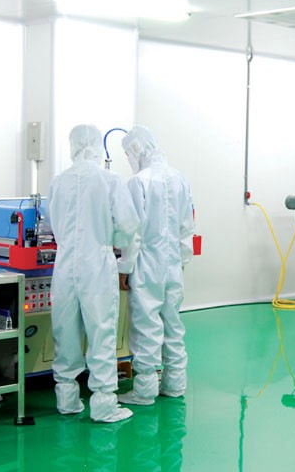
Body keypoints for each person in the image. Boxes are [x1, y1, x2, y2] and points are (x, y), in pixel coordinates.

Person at [47, 124, 139, 423]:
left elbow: (52, 223)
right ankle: (103, 405)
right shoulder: (110, 180)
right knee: (101, 332)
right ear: (98, 146)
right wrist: (118, 250)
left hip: (64, 264)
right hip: (96, 263)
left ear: (72, 146)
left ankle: (67, 399)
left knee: (65, 331)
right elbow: (127, 225)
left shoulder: (58, 181)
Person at [117, 125, 195, 406]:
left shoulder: (138, 182)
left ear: (135, 150)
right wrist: (181, 262)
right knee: (172, 323)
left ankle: (145, 390)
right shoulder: (180, 179)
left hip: (147, 264)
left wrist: (124, 267)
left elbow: (132, 232)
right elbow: (187, 227)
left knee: (146, 325)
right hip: (173, 264)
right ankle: (174, 384)